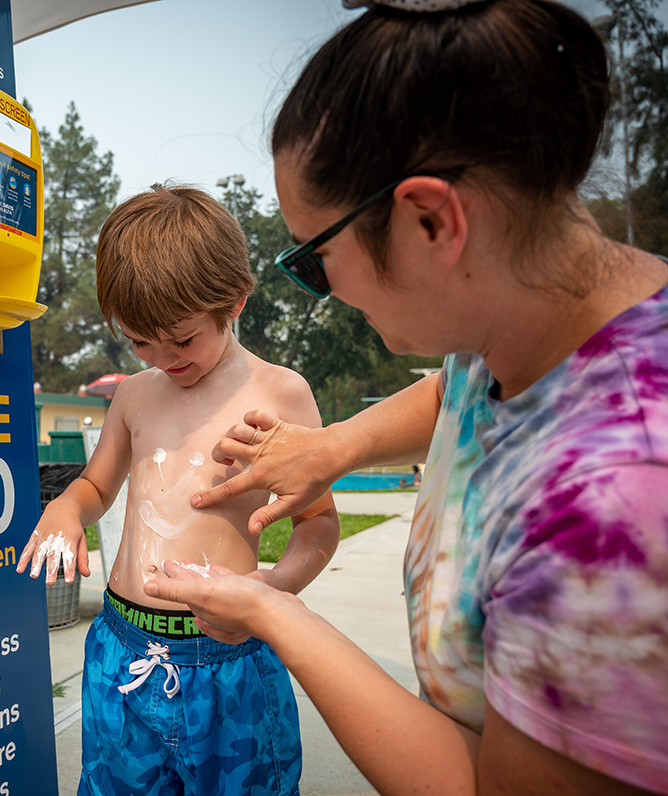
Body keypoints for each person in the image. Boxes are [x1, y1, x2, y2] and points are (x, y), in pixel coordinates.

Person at [146, 1, 668, 794]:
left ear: (430, 219)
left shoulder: (619, 502)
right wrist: (335, 447)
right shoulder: (522, 322)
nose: (320, 293)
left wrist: (274, 614)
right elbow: (454, 398)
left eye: (316, 260)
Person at [16, 185, 341, 795]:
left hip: (229, 658)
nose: (163, 357)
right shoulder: (135, 395)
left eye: (183, 339)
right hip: (122, 649)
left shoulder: (281, 394)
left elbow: (318, 524)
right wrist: (66, 508)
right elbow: (96, 484)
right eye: (140, 341)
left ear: (235, 301)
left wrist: (269, 591)